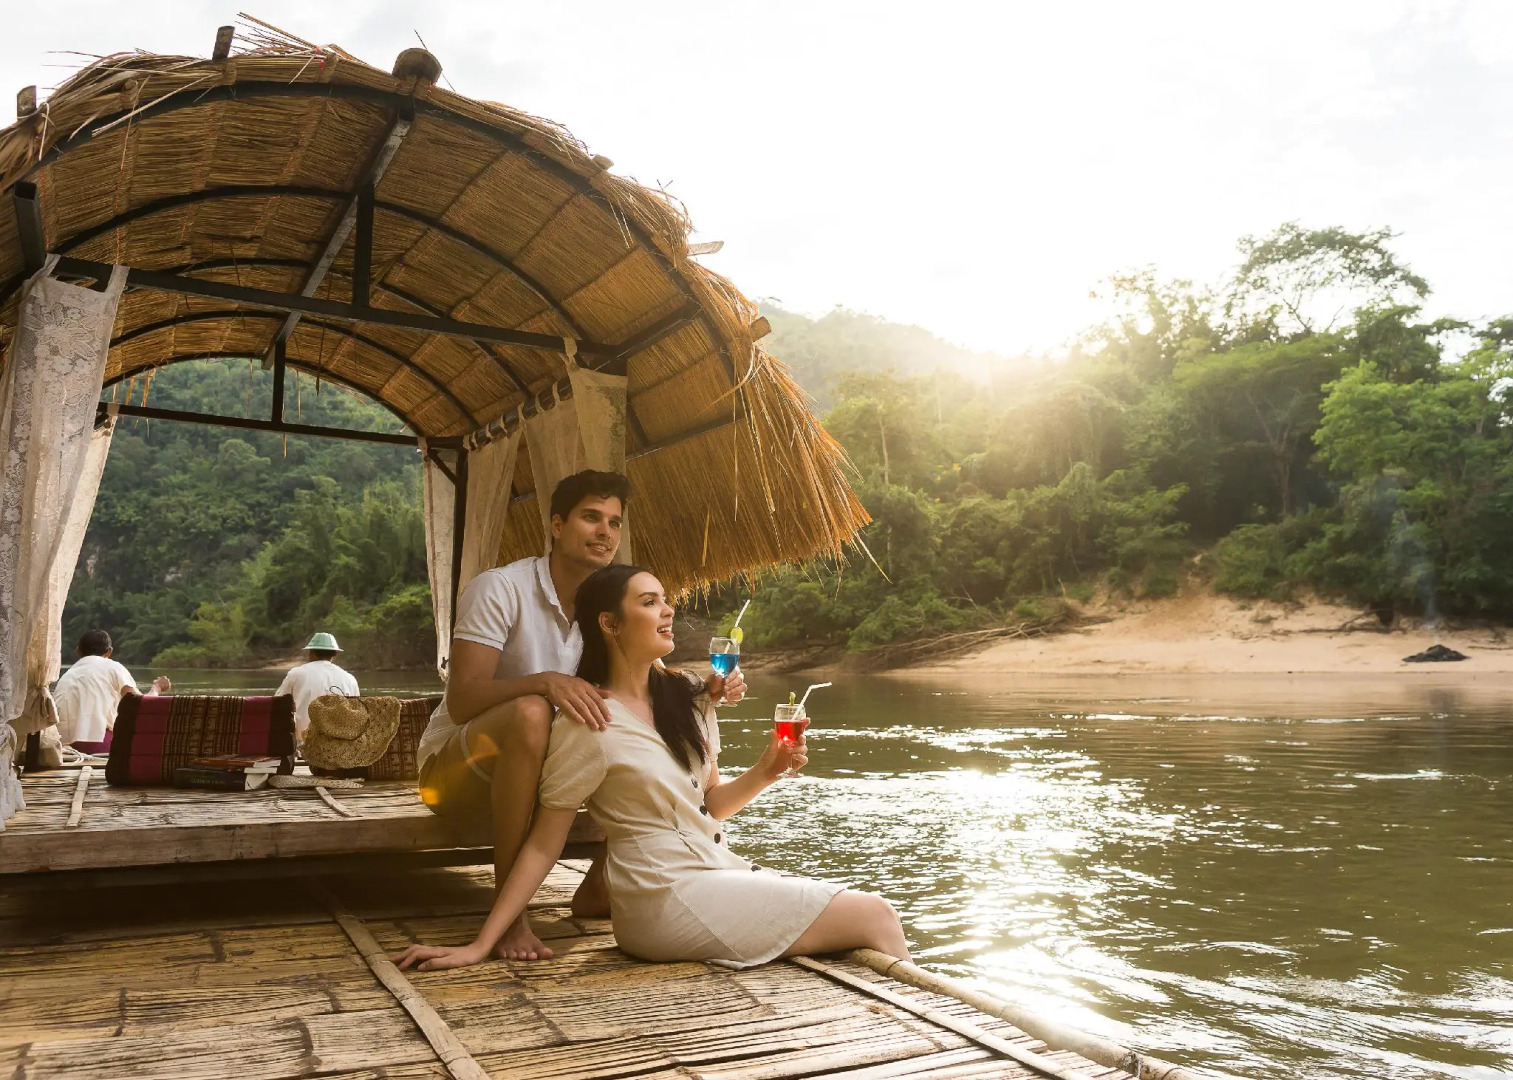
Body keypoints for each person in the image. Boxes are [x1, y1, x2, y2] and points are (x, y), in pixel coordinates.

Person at [393, 564, 909, 973]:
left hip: (713, 873)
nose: (668, 610)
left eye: (665, 599)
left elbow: (709, 807)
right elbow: (545, 842)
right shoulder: (589, 721)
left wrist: (767, 770)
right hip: (662, 900)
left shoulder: (688, 698)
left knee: (867, 917)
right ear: (609, 624)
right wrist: (484, 940)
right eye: (649, 602)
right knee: (875, 914)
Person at [415, 470, 746, 962]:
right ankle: (511, 921)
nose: (604, 533)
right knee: (532, 712)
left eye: (614, 522)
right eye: (591, 517)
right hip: (459, 771)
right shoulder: (500, 589)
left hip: (547, 774)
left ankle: (600, 887)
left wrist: (708, 691)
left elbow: (645, 681)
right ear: (556, 525)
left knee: (636, 736)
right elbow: (463, 701)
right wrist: (545, 681)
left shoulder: (608, 607)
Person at [54, 630, 170, 754]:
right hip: (101, 745)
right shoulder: (113, 667)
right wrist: (156, 688)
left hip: (63, 747)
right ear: (109, 651)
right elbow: (141, 705)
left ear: (78, 651)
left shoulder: (67, 675)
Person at [276, 633, 360, 740]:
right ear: (335, 654)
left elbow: (277, 703)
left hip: (303, 740)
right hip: (339, 741)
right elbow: (356, 711)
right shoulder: (350, 679)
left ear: (311, 652)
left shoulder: (296, 674)